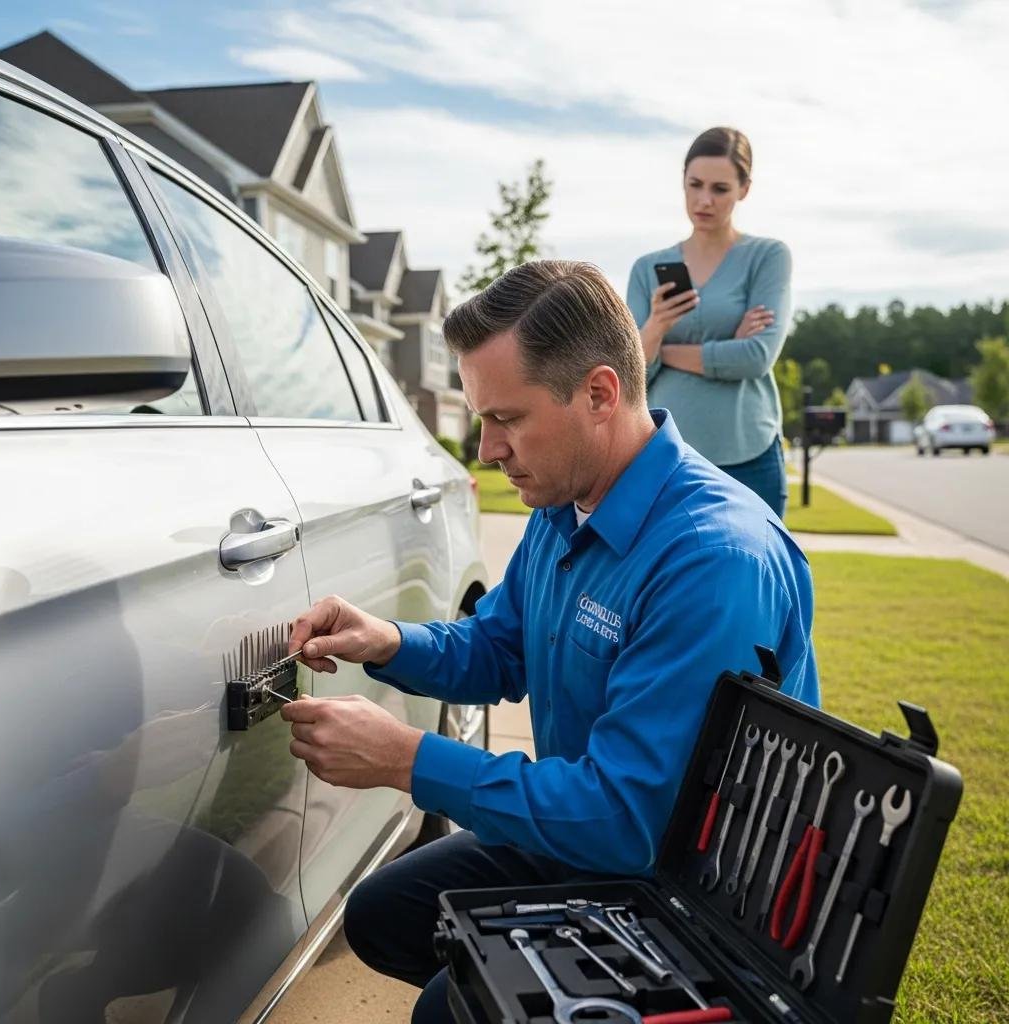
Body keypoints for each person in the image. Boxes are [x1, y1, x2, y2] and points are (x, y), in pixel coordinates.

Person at [280, 260, 819, 1023]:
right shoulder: (567, 503)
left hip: (696, 890)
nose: (485, 449)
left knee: (449, 1008)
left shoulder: (711, 560)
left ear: (598, 394)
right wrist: (387, 640)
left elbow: (630, 820)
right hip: (599, 833)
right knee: (383, 914)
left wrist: (409, 761)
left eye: (506, 418)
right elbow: (499, 649)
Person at [627, 126, 791, 516]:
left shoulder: (767, 257)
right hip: (666, 459)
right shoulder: (647, 268)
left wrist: (660, 350)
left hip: (748, 453)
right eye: (695, 185)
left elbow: (755, 357)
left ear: (744, 189)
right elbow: (627, 374)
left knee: (757, 576)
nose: (704, 200)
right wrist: (656, 328)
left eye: (720, 189)